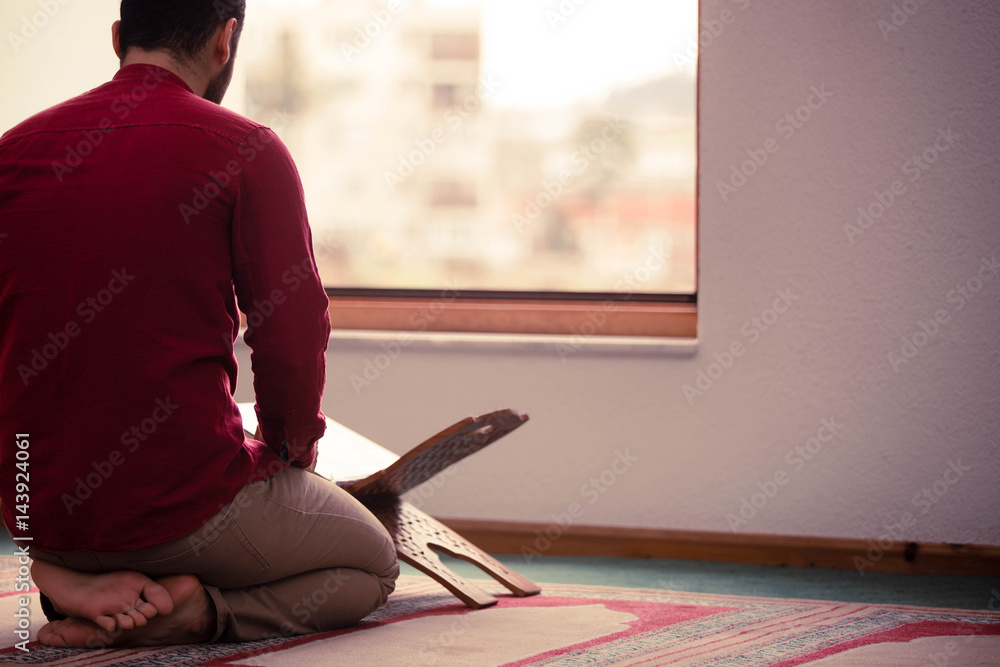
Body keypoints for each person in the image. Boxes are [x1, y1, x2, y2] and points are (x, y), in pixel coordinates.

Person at [0, 0, 398, 648]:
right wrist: (288, 453)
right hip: (180, 508)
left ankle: (61, 572)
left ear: (119, 37)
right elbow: (290, 335)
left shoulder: (12, 151)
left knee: (91, 524)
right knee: (371, 563)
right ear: (225, 39)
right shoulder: (246, 150)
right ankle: (198, 611)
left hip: (36, 504)